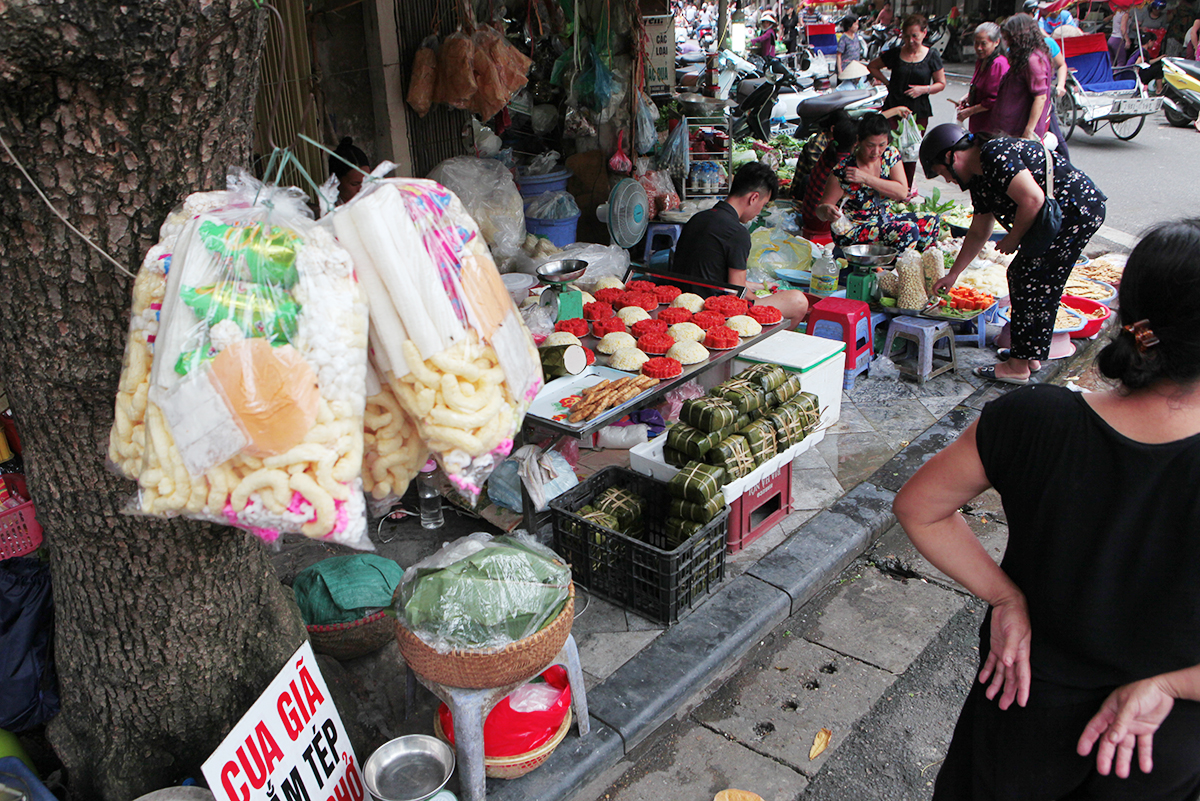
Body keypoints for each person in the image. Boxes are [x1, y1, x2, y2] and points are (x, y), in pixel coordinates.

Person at [893, 218, 1200, 801]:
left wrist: (1007, 596)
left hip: (1023, 703)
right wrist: (1170, 687)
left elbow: (919, 508)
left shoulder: (1033, 417)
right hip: (1154, 746)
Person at [921, 124, 1106, 383]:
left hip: (1075, 210)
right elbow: (978, 231)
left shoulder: (993, 153)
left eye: (943, 173)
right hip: (1065, 215)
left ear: (951, 156)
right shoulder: (980, 180)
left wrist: (1013, 237)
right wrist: (953, 275)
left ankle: (1018, 366)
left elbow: (1032, 199)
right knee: (1037, 280)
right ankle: (1029, 356)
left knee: (1028, 277)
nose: (949, 180)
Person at [671, 162, 810, 327]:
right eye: (763, 205)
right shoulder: (736, 232)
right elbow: (737, 293)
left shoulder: (698, 218)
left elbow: (715, 276)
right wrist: (760, 299)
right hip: (712, 312)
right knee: (798, 301)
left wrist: (759, 286)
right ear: (754, 198)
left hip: (682, 302)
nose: (759, 211)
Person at [815, 112, 940, 252]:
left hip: (885, 219)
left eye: (882, 145)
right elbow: (820, 210)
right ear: (859, 141)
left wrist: (866, 178)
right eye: (870, 145)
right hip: (854, 229)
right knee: (908, 230)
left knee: (931, 220)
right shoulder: (844, 170)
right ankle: (896, 269)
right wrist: (827, 210)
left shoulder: (890, 155)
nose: (876, 151)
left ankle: (916, 265)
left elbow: (902, 192)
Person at [868, 14, 947, 187]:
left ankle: (905, 189)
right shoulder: (895, 54)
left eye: (915, 36)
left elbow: (941, 84)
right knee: (885, 148)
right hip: (893, 108)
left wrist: (923, 89)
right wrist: (888, 83)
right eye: (906, 36)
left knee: (910, 153)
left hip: (918, 112)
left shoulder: (932, 55)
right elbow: (872, 66)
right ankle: (884, 185)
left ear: (924, 33)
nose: (910, 40)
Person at [991, 14, 1054, 142]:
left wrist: (1028, 131)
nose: (1007, 43)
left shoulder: (1033, 60)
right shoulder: (1025, 57)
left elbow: (1040, 97)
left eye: (1009, 38)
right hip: (1009, 129)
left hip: (1018, 133)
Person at [799, 111, 860, 239]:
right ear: (856, 143)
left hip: (807, 212)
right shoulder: (845, 166)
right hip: (819, 220)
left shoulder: (831, 146)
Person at [956, 22, 1010, 134]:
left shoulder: (998, 64)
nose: (979, 48)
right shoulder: (981, 61)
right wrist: (967, 97)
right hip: (978, 121)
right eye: (976, 43)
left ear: (996, 42)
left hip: (991, 124)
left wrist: (970, 111)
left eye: (983, 44)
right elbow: (979, 87)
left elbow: (993, 99)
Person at [329, 137, 370, 206]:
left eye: (367, 182)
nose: (362, 189)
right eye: (355, 184)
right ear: (337, 183)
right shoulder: (328, 213)